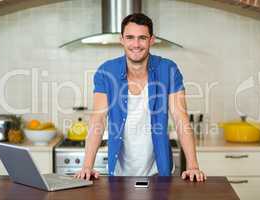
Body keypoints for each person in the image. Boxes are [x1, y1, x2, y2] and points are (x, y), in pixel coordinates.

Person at [75, 13, 206, 182]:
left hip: (159, 172)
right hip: (120, 173)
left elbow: (181, 117)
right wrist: (87, 165)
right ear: (121, 40)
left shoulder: (168, 69)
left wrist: (193, 166)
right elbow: (98, 119)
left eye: (142, 38)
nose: (136, 44)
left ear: (151, 40)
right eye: (130, 37)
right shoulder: (106, 71)